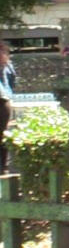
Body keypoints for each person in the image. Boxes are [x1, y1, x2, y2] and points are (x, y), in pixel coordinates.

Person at [0, 43, 15, 172]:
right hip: (3, 99)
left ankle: (3, 165)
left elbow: (11, 82)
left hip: (3, 100)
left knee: (3, 133)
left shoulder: (7, 66)